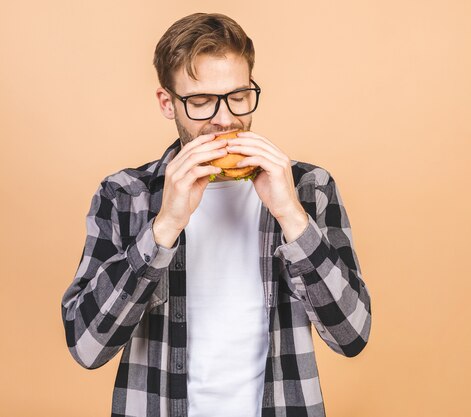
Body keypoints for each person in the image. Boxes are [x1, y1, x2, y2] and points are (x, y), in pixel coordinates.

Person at [61, 12, 372, 417]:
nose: (225, 119)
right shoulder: (125, 195)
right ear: (167, 103)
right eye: (202, 102)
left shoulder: (309, 188)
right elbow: (87, 348)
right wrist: (164, 227)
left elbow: (352, 336)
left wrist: (290, 214)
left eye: (239, 96)